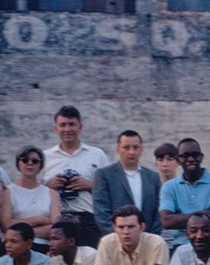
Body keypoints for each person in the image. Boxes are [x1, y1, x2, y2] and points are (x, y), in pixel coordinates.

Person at [42, 106, 109, 248]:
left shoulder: (97, 155)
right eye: (62, 125)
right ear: (56, 128)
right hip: (58, 220)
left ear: (80, 127)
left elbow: (110, 189)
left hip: (88, 219)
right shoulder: (44, 157)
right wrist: (49, 186)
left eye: (72, 124)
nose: (67, 129)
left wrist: (90, 185)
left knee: (90, 263)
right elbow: (35, 192)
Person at [159, 138, 210, 250]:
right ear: (178, 160)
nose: (191, 159)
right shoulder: (169, 187)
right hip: (181, 246)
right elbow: (166, 221)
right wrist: (202, 214)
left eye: (195, 155)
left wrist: (179, 218)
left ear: (201, 157)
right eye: (185, 155)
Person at [94, 130, 162, 236]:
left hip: (148, 241)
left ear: (141, 149)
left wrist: (150, 237)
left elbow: (159, 212)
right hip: (116, 241)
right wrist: (119, 236)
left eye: (135, 147)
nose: (131, 152)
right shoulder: (105, 175)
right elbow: (101, 212)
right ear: (118, 149)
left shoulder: (153, 177)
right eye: (126, 147)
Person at [3, 146, 59, 252]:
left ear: (40, 165)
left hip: (44, 247)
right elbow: (6, 225)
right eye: (25, 160)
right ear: (18, 163)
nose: (30, 163)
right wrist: (38, 220)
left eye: (35, 161)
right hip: (16, 249)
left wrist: (21, 232)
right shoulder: (8, 192)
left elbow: (55, 228)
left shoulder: (51, 193)